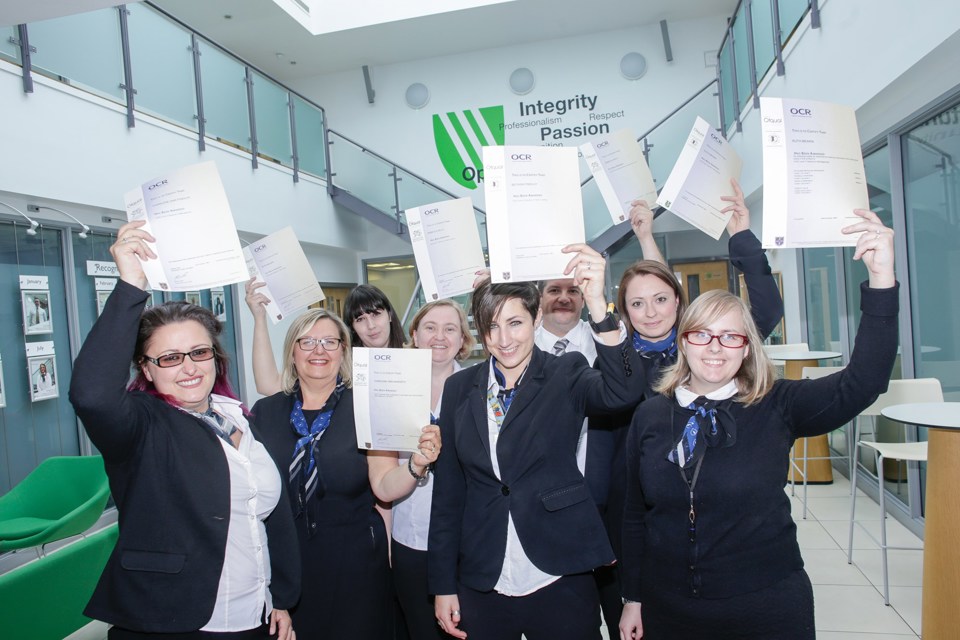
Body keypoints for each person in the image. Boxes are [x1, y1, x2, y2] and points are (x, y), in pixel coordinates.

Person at [618, 209, 898, 639]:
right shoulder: (651, 415)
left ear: (747, 347)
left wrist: (881, 279)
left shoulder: (776, 405)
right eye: (702, 335)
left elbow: (865, 380)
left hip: (765, 604)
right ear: (683, 341)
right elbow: (636, 514)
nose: (715, 348)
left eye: (731, 336)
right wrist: (632, 597)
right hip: (668, 606)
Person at [69, 220, 299, 639]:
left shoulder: (237, 416)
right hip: (171, 621)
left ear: (215, 356)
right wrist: (130, 287)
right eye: (170, 358)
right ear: (146, 368)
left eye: (198, 352)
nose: (189, 367)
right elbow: (91, 395)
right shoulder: (141, 424)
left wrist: (280, 595)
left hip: (253, 614)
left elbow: (265, 517)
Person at [587, 179, 784, 627]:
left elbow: (766, 313)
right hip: (636, 510)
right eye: (637, 304)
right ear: (624, 312)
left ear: (679, 302)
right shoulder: (615, 362)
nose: (651, 311)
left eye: (661, 299)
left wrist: (742, 239)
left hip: (718, 506)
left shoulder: (703, 349)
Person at [429, 245, 644, 640]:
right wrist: (442, 584)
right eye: (491, 326)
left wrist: (598, 304)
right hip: (483, 571)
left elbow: (625, 390)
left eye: (515, 323)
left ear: (537, 317)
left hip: (558, 567)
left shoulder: (566, 372)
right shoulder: (460, 387)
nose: (503, 339)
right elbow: (448, 494)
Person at [251, 308, 441, 639]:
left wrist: (416, 465)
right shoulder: (265, 413)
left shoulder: (367, 405)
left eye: (329, 341)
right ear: (292, 352)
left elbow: (384, 486)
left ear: (343, 350)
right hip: (287, 561)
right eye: (307, 341)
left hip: (355, 563)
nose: (319, 350)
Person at [535, 200, 663, 636]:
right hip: (542, 510)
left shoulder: (609, 338)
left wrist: (645, 237)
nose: (565, 297)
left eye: (573, 289)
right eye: (554, 289)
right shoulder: (516, 347)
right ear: (539, 297)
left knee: (621, 613)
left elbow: (659, 301)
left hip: (606, 504)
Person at [392, 299, 475, 639]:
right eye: (429, 327)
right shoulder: (391, 384)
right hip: (409, 533)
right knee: (420, 630)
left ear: (462, 340)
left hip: (467, 539)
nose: (439, 336)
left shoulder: (480, 386)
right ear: (414, 334)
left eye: (450, 328)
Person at [344, 283, 407, 349]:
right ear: (352, 328)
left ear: (389, 315)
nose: (371, 326)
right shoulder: (344, 359)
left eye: (376, 314)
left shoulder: (415, 357)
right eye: (360, 319)